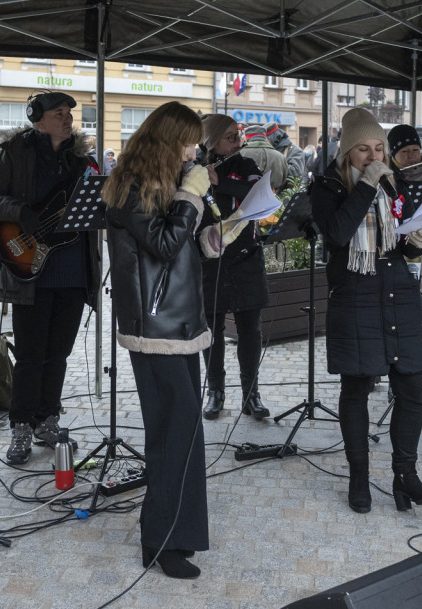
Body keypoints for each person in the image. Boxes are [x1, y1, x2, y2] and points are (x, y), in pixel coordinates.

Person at [310, 108, 422, 515]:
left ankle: (406, 476)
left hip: (398, 292)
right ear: (347, 151)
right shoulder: (327, 187)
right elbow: (336, 235)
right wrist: (367, 185)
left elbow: (401, 247)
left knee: (411, 389)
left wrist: (419, 241)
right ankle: (359, 477)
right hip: (354, 293)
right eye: (363, 149)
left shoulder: (396, 183)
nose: (373, 156)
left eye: (379, 148)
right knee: (356, 389)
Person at [102, 101, 211, 579]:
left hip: (179, 323)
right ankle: (160, 540)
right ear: (169, 140)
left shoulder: (166, 182)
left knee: (184, 430)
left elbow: (176, 245)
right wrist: (191, 197)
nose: (195, 150)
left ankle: (177, 534)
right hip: (155, 328)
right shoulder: (131, 185)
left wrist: (212, 234)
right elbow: (163, 244)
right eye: (188, 140)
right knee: (172, 429)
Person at [0, 91, 100, 464]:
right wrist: (19, 210)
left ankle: (48, 419)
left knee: (58, 353)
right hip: (29, 271)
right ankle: (21, 426)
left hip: (73, 271)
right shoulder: (16, 155)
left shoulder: (82, 160)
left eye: (69, 113)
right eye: (58, 113)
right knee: (30, 355)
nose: (67, 118)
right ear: (37, 120)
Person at [195, 114, 269, 421]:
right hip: (210, 262)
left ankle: (251, 394)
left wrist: (220, 182)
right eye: (230, 137)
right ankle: (216, 391)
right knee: (211, 330)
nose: (238, 141)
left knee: (250, 330)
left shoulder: (246, 166)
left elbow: (259, 197)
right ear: (210, 141)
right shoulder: (195, 168)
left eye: (237, 135)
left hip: (246, 258)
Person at [239, 124, 288, 192]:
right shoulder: (280, 157)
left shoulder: (239, 154)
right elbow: (283, 180)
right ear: (265, 137)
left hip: (244, 197)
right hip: (271, 197)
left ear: (247, 137)